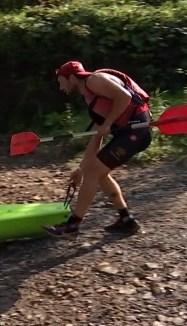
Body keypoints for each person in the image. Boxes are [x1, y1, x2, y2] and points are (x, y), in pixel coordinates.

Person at [43, 61, 152, 237]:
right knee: (97, 173)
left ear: (71, 77)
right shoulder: (91, 95)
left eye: (61, 81)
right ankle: (127, 220)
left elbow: (125, 97)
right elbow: (96, 137)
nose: (61, 87)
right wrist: (81, 169)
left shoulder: (94, 81)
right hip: (129, 134)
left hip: (135, 132)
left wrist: (108, 123)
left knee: (94, 172)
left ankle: (73, 225)